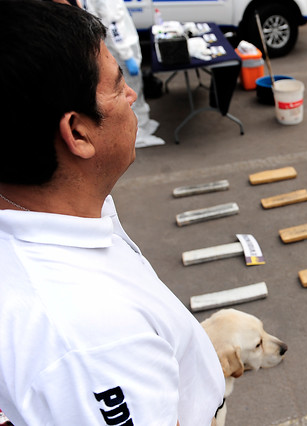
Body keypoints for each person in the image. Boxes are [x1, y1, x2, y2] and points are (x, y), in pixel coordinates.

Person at [0, 1, 225, 425]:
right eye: (117, 84)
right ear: (78, 133)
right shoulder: (92, 341)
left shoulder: (62, 201)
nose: (131, 95)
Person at [85, 0, 166, 148]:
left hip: (123, 52)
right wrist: (127, 55)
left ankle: (143, 124)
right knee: (129, 95)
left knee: (136, 91)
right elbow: (114, 25)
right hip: (121, 54)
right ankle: (137, 134)